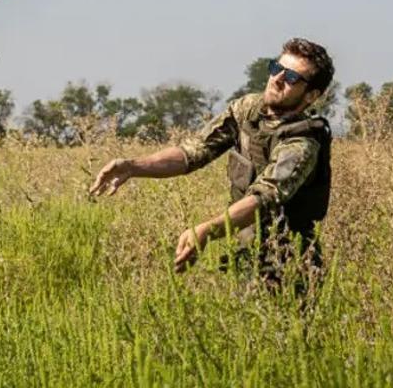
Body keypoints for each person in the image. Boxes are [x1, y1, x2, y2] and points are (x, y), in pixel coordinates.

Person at [89, 37, 334, 288]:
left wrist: (207, 230)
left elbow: (263, 199)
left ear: (311, 95)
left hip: (290, 260)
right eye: (276, 69)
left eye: (292, 78)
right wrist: (133, 166)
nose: (278, 79)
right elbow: (194, 151)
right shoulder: (248, 109)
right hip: (245, 246)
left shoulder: (302, 142)